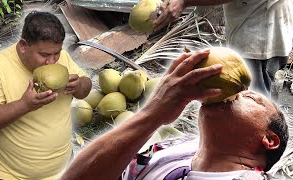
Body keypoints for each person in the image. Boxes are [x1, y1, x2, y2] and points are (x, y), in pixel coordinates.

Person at [60, 49, 289, 180]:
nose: (238, 94)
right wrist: (154, 113)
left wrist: (152, 114)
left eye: (252, 99)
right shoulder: (179, 148)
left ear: (269, 139)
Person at [0, 11, 92, 179]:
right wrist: (24, 105)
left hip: (64, 169)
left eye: (56, 53)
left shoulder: (62, 58)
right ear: (23, 45)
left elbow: (86, 87)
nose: (52, 61)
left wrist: (79, 85)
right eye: (44, 55)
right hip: (12, 176)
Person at [153, 0, 293, 97]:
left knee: (254, 106)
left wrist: (184, 2)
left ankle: (258, 138)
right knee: (250, 101)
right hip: (261, 33)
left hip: (259, 40)